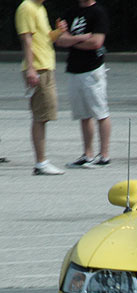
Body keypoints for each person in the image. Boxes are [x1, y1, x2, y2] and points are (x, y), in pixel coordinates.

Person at [55, 0, 111, 168]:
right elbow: (59, 40)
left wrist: (71, 41)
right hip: (74, 69)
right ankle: (88, 154)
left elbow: (96, 42)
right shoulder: (70, 13)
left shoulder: (98, 12)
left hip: (92, 69)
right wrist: (80, 38)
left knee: (100, 112)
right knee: (83, 115)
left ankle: (104, 155)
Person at [15, 0, 69, 175]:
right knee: (40, 116)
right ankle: (41, 163)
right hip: (38, 68)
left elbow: (45, 39)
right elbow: (27, 40)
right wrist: (31, 68)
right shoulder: (27, 7)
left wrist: (58, 32)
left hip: (46, 66)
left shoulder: (40, 8)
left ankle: (42, 162)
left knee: (44, 115)